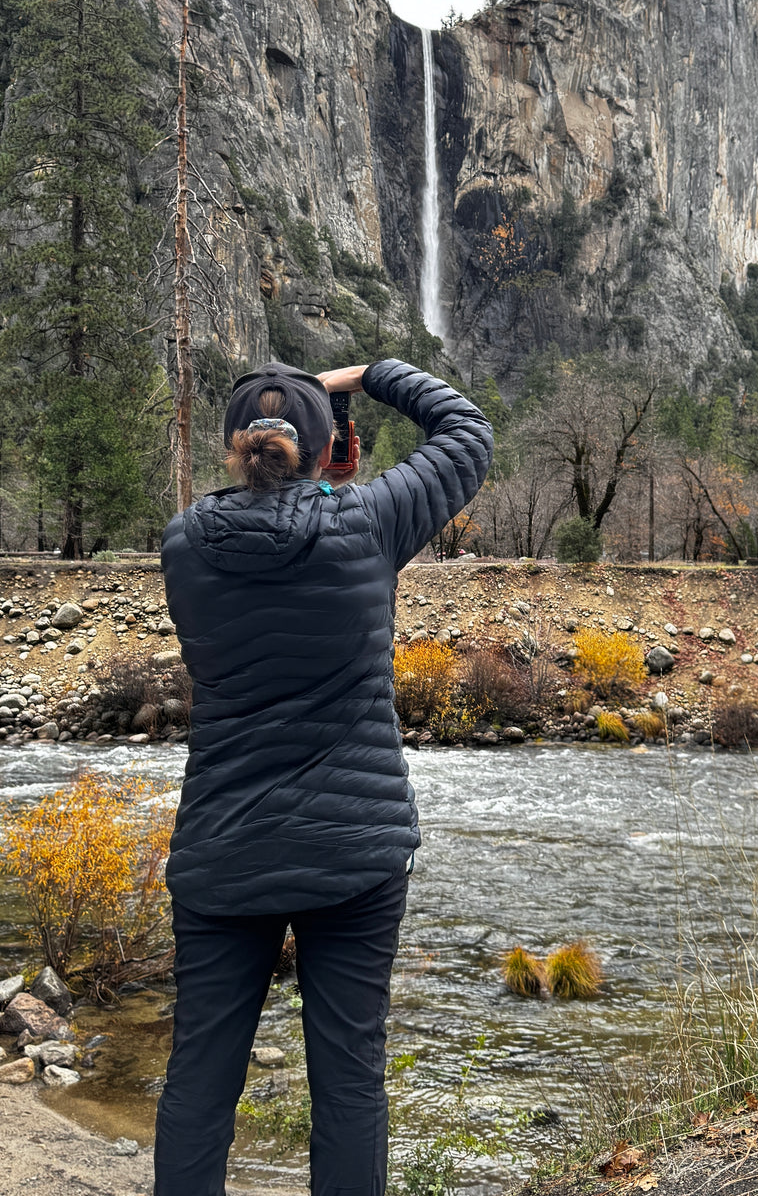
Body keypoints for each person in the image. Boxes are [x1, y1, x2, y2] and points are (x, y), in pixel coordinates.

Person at [154, 358, 493, 1196]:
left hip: (224, 852)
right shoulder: (368, 522)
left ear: (234, 447)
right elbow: (466, 433)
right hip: (354, 851)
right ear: (326, 450)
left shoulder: (184, 543)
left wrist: (321, 477)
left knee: (199, 1079)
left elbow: (274, 529)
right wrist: (371, 375)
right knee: (348, 1080)